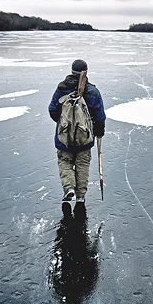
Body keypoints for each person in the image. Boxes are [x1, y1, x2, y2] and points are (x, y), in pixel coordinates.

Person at [49, 59, 105, 213]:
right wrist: (98, 132)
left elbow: (52, 109)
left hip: (64, 139)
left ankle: (69, 188)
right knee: (82, 165)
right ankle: (80, 195)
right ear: (86, 71)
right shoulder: (93, 92)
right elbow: (99, 116)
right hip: (84, 139)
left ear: (72, 71)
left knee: (65, 162)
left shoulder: (61, 89)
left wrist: (63, 122)